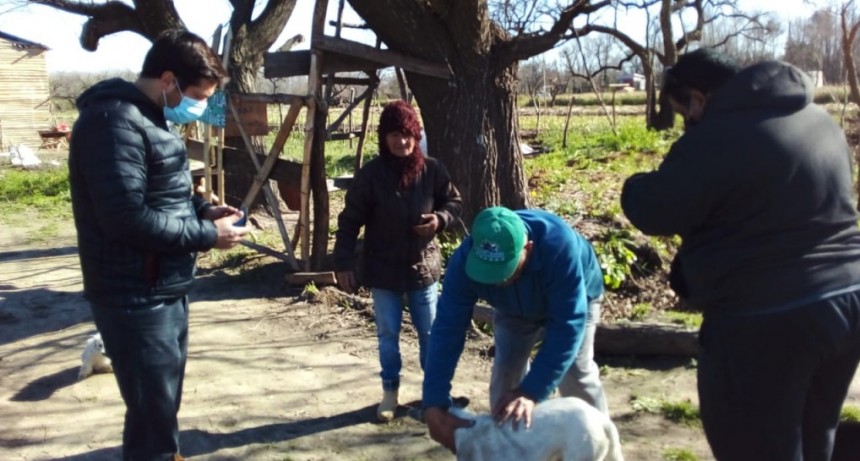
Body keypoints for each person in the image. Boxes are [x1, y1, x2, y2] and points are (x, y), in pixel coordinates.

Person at [621, 48, 860, 461]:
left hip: (767, 318)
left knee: (751, 446)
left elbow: (652, 207)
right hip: (848, 300)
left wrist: (635, 181)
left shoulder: (719, 136)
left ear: (697, 98)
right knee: (814, 434)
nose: (686, 123)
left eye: (683, 113)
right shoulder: (818, 120)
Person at [68, 30, 249, 461]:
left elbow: (162, 195)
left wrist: (203, 211)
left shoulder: (149, 117)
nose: (199, 106)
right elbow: (126, 219)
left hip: (161, 287)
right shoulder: (112, 123)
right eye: (197, 95)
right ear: (167, 79)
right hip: (134, 294)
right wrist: (209, 237)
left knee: (159, 409)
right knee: (153, 417)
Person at [422, 206, 609, 452]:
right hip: (513, 309)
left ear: (527, 249)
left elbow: (567, 326)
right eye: (488, 274)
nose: (498, 281)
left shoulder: (559, 246)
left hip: (575, 298)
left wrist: (532, 391)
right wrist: (434, 401)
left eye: (504, 272)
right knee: (506, 379)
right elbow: (447, 328)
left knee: (576, 373)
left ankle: (599, 445)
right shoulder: (464, 262)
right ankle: (514, 451)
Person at [333, 100, 462, 422]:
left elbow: (454, 201)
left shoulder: (432, 169)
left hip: (422, 268)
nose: (401, 141)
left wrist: (439, 220)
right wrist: (344, 263)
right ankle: (390, 392)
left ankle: (435, 397)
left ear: (415, 135)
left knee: (430, 334)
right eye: (393, 134)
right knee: (388, 335)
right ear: (383, 137)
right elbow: (349, 221)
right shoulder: (370, 175)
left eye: (406, 134)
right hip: (382, 269)